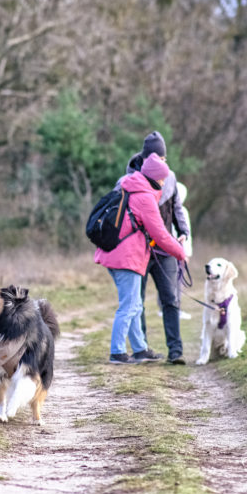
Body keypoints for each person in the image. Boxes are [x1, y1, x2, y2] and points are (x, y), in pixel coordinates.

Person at [95, 152, 187, 365]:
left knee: (135, 303)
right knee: (129, 305)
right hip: (126, 258)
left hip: (118, 254)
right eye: (163, 178)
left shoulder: (131, 187)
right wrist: (180, 253)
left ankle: (139, 349)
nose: (164, 182)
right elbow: (160, 234)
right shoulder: (144, 197)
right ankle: (117, 352)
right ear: (154, 177)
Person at [123, 131, 192, 364]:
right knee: (137, 301)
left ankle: (176, 350)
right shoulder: (130, 178)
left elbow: (176, 207)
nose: (162, 162)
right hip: (139, 250)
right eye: (158, 157)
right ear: (146, 157)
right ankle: (141, 348)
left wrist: (183, 232)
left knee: (171, 298)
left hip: (166, 249)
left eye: (163, 158)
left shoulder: (169, 177)